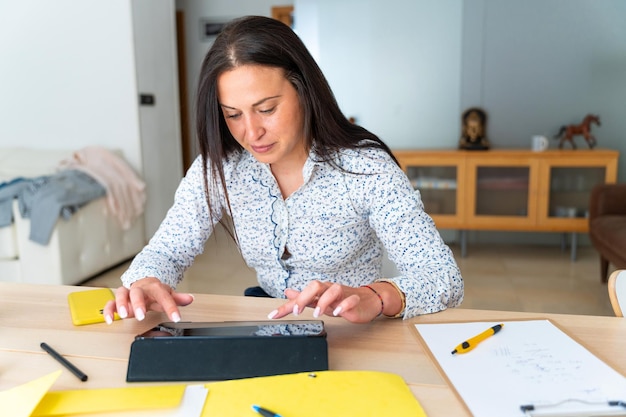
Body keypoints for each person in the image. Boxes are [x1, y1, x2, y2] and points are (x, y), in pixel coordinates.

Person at [103, 15, 463, 325]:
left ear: (304, 91)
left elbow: (442, 277)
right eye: (232, 115)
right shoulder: (220, 168)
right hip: (273, 323)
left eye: (267, 108)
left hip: (354, 329)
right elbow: (168, 249)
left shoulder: (365, 168)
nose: (251, 132)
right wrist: (146, 280)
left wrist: (377, 296)